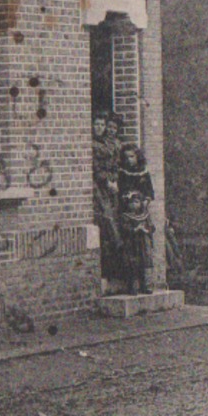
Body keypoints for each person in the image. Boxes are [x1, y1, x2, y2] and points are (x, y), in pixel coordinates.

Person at [117, 143, 156, 295]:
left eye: (132, 157)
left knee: (145, 258)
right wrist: (127, 200)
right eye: (126, 157)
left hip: (142, 211)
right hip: (129, 212)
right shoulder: (123, 173)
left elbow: (149, 190)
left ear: (137, 157)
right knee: (131, 258)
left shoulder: (143, 172)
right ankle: (132, 286)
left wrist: (145, 200)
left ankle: (146, 284)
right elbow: (121, 191)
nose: (129, 160)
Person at [91, 112, 122, 286]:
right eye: (97, 125)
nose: (100, 128)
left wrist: (114, 179)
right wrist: (107, 181)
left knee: (114, 221)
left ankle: (115, 272)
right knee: (106, 222)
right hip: (99, 188)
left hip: (111, 187)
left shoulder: (109, 144)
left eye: (102, 125)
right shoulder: (93, 145)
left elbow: (116, 164)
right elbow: (95, 169)